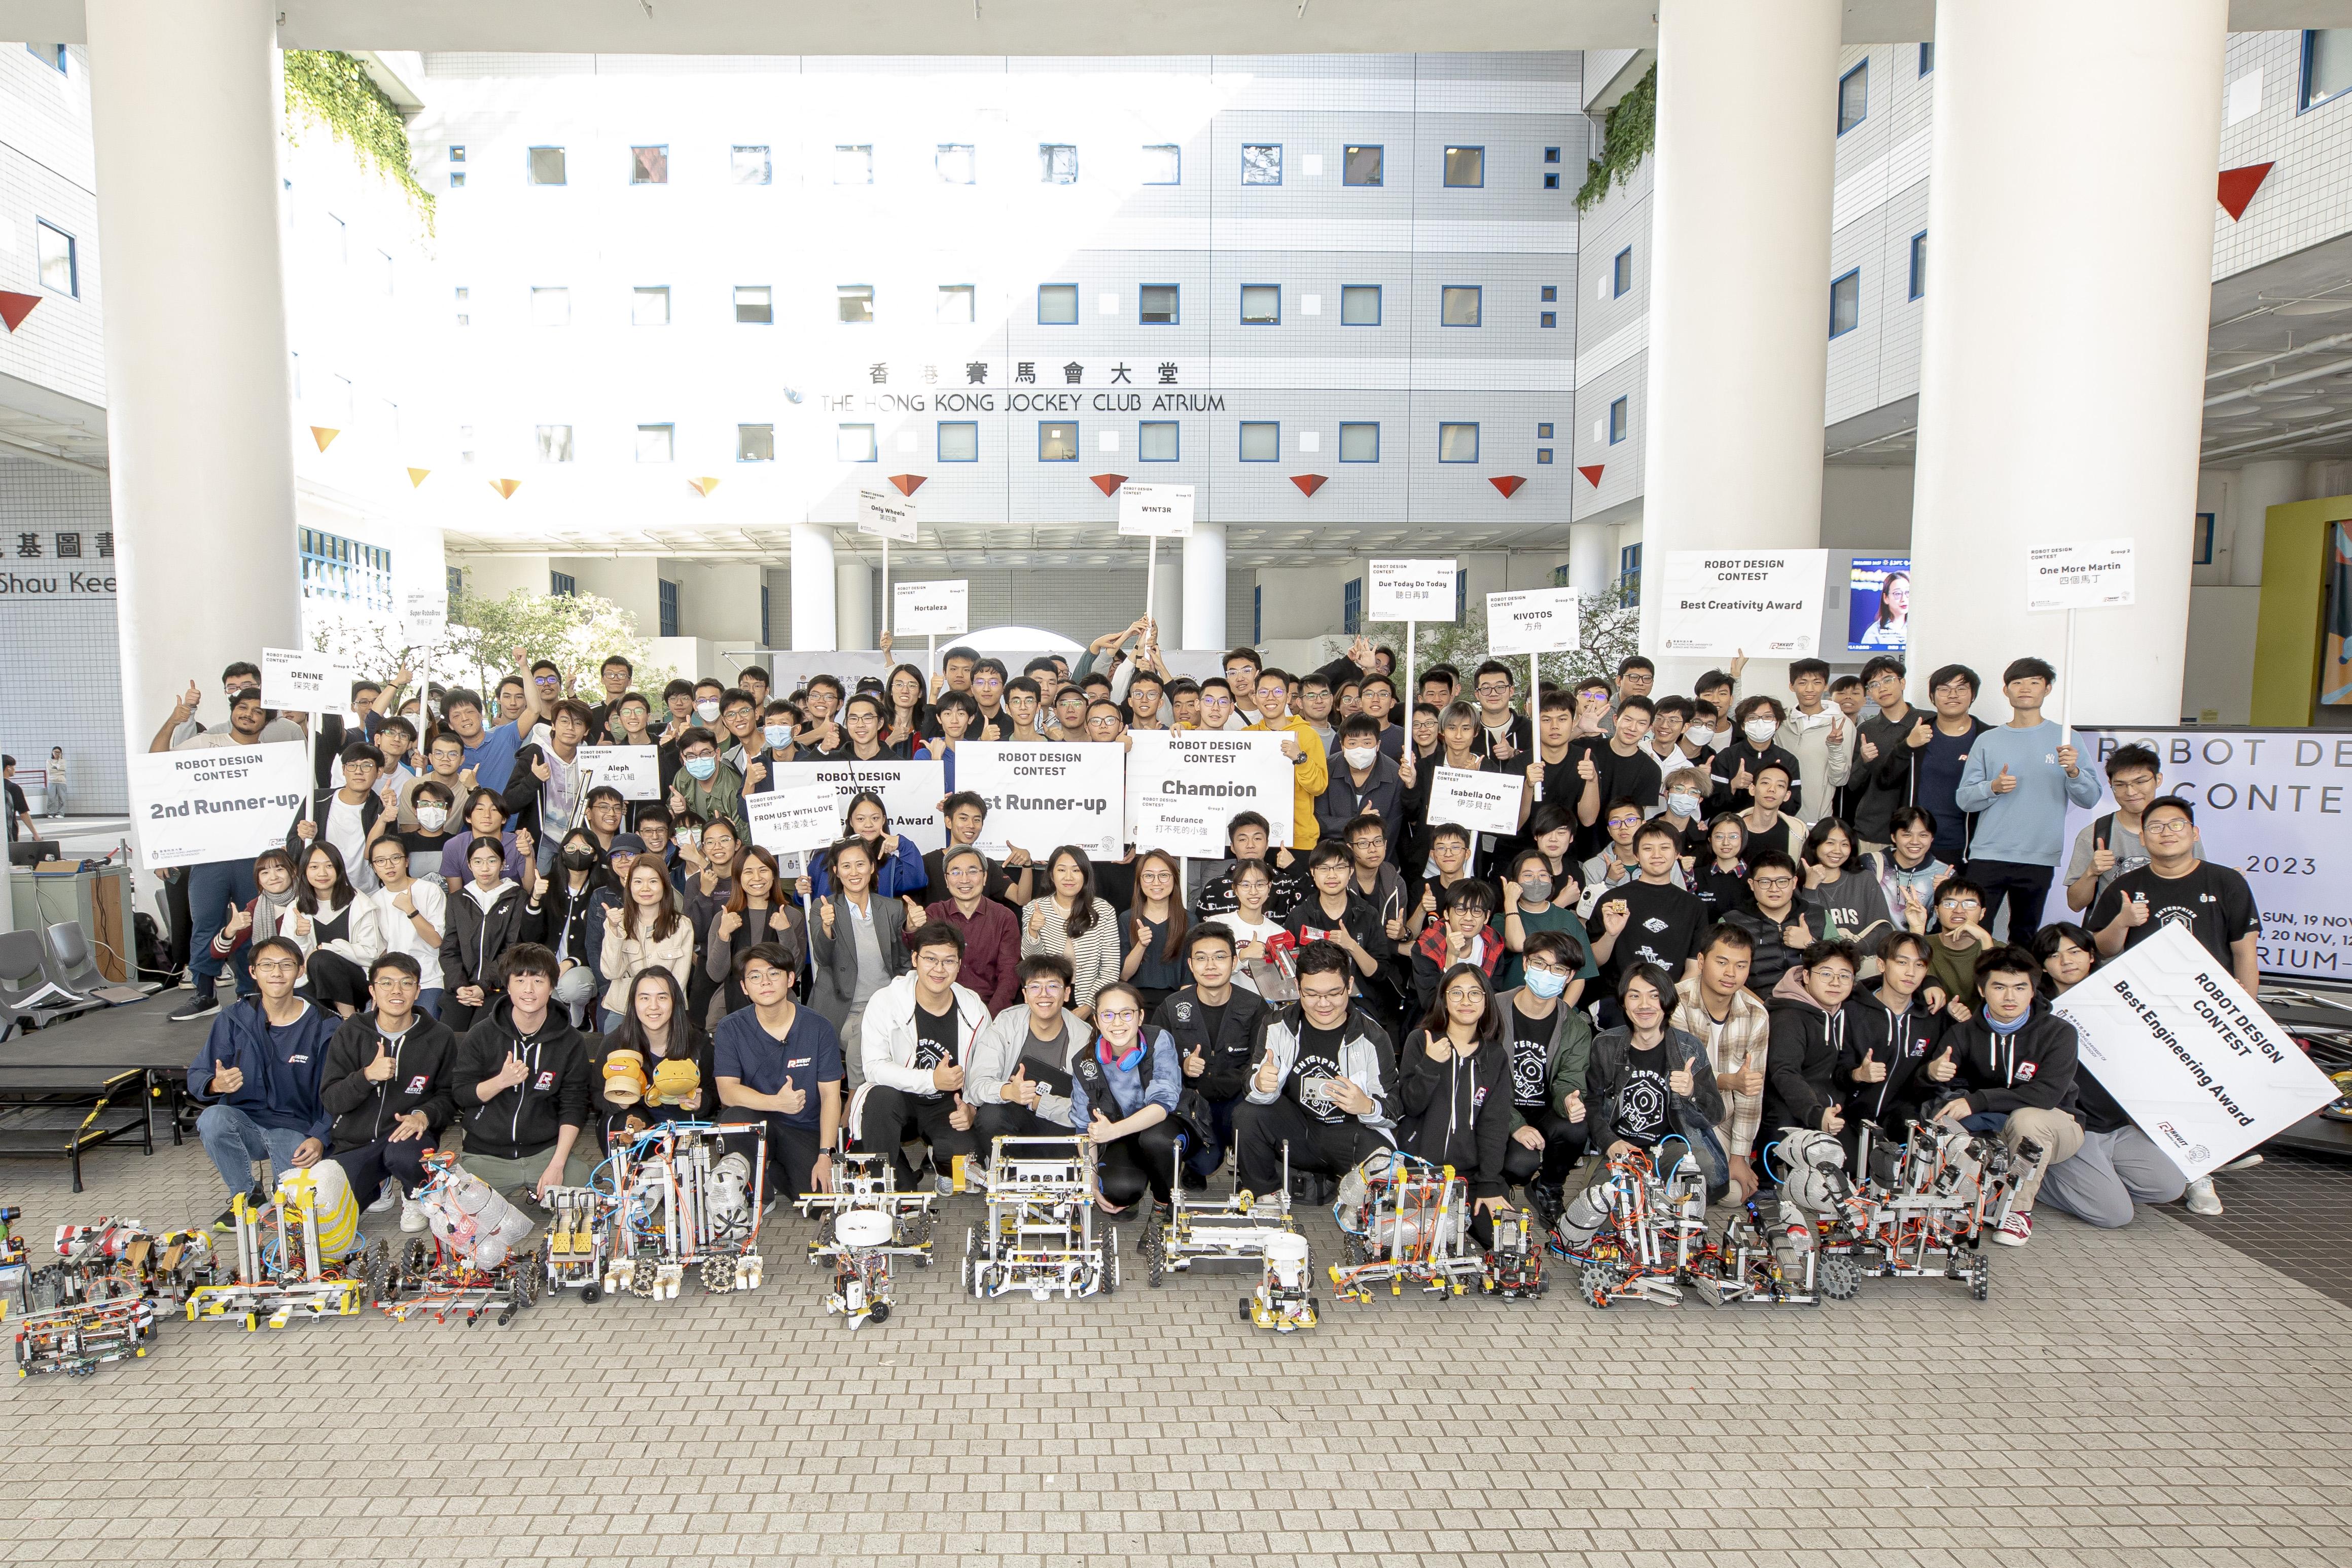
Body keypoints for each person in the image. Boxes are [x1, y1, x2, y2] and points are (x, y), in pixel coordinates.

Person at [1920, 944, 2087, 1247]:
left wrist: (1978, 1100)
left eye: (2020, 988)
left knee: (2028, 1120)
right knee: (1941, 1119)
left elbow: (2048, 1094)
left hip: (2057, 1125)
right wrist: (1932, 1072)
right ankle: (1951, 1203)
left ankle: (2017, 1210)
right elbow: (1938, 1084)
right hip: (1993, 1130)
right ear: (1983, 991)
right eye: (2000, 987)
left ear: (2033, 990)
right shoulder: (1964, 1032)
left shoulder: (2059, 1032)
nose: (2010, 997)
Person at [1234, 940, 1400, 1204]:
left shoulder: (1374, 1036)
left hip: (1350, 1134)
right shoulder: (1277, 1024)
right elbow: (1252, 1084)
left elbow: (1393, 1110)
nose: (1323, 1004)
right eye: (1311, 994)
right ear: (1297, 988)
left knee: (1388, 1165)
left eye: (1334, 993)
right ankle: (1266, 1195)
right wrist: (1259, 1082)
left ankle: (1366, 1210)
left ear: (1349, 986)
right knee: (1247, 1114)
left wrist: (1366, 1106)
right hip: (1299, 1131)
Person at [187, 935, 336, 1226]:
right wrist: (215, 1085)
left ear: (301, 970)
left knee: (291, 1218)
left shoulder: (325, 1025)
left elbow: (338, 1092)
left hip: (298, 1130)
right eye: (267, 965)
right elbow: (198, 1074)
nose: (277, 973)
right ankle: (245, 1197)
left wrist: (321, 1137)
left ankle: (286, 1200)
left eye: (286, 965)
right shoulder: (234, 1018)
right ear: (253, 972)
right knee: (213, 1118)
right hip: (248, 1125)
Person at [1952, 657, 2102, 938]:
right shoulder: (1988, 740)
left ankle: (2019, 984)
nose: (2025, 688)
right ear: (2006, 690)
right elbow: (1964, 799)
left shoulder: (2067, 738)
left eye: (2034, 682)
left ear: (2047, 689)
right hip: (1988, 853)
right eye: (2017, 682)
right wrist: (1993, 788)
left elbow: (2091, 798)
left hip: (2039, 855)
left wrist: (2073, 771)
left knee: (2025, 933)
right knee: (1972, 932)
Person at [449, 944, 596, 1198]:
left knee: (581, 1194)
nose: (529, 990)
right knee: (457, 1210)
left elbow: (574, 1104)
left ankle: (551, 1178)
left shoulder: (570, 1041)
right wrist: (501, 1082)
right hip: (487, 1154)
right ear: (508, 986)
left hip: (545, 1153)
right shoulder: (482, 1034)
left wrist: (557, 1166)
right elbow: (462, 1094)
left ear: (552, 987)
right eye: (520, 980)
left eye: (538, 980)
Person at [852, 920, 990, 1191]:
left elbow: (984, 1069)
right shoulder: (885, 1001)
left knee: (964, 1166)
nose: (939, 969)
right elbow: (874, 1069)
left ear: (959, 965)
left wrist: (972, 1108)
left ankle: (940, 1161)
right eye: (930, 959)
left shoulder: (974, 1008)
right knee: (879, 1097)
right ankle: (887, 1179)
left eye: (949, 961)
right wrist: (932, 1080)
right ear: (915, 959)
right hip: (899, 1099)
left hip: (947, 1105)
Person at [1581, 964, 1729, 1202]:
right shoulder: (1605, 1044)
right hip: (1622, 1152)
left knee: (1699, 1162)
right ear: (1624, 1002)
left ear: (1667, 1001)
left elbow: (1715, 1115)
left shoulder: (1688, 1048)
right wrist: (1609, 1142)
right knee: (1599, 1214)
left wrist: (1692, 1091)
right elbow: (1591, 1102)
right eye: (1634, 996)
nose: (1644, 1005)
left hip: (1670, 1150)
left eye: (1654, 996)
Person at [2088, 797, 2261, 992]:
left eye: (2177, 825)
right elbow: (2102, 950)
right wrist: (2122, 923)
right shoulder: (2124, 887)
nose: (2167, 832)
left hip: (2212, 999)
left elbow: (2245, 953)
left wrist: (2249, 1011)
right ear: (2143, 838)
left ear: (2195, 833)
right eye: (2155, 827)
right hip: (2144, 999)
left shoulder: (2227, 881)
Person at [714, 944, 845, 1201]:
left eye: (774, 973)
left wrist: (825, 1155)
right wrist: (776, 1103)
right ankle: (759, 1194)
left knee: (820, 1203)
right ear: (744, 987)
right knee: (734, 1118)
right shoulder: (731, 1028)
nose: (765, 982)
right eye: (755, 976)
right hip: (758, 1122)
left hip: (805, 1129)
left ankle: (775, 1171)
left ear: (791, 979)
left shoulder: (819, 1027)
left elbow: (831, 1097)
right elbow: (727, 1092)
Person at [1396, 965, 1516, 1241]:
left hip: (1469, 1178)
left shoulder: (1495, 1057)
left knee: (1502, 1243)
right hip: (1419, 1172)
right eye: (1457, 993)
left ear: (1487, 1001)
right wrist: (1430, 1065)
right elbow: (1410, 1106)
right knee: (1416, 1244)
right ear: (1444, 999)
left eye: (1475, 994)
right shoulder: (1421, 1041)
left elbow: (1495, 1126)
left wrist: (1489, 1184)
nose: (1466, 1002)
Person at [1150, 926, 1268, 1187]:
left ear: (1234, 961)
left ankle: (1248, 1168)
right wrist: (1182, 1066)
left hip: (1239, 1099)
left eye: (1220, 957)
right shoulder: (1172, 1006)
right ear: (1191, 965)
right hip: (1192, 1102)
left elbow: (1263, 1060)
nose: (1211, 966)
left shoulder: (1255, 1006)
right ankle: (1197, 1163)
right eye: (1201, 958)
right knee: (1204, 1163)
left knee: (1253, 1121)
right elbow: (1152, 1062)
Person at [1494, 931, 1593, 1222]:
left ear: (1569, 976)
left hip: (1545, 1112)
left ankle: (1549, 1187)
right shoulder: (1494, 1011)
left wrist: (1569, 1101)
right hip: (1499, 1110)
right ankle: (1499, 1182)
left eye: (1558, 969)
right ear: (1525, 964)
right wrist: (1514, 1125)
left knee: (1575, 1128)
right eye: (1539, 963)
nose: (1547, 974)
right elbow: (1482, 1079)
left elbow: (1569, 1080)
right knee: (1520, 1164)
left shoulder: (1575, 1027)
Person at [1067, 979, 1187, 1217]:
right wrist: (1090, 1182)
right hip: (1123, 1137)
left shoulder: (1158, 1041)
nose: (1118, 1022)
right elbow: (1084, 1129)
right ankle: (1137, 1179)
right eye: (1108, 1015)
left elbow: (1162, 1104)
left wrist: (1113, 1131)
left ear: (1141, 1017)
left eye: (1126, 1013)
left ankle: (1163, 1204)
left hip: (1166, 1127)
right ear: (1097, 1021)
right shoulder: (1084, 1062)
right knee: (1119, 1189)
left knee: (1156, 1140)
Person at [1674, 924, 1770, 1200]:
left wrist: (1739, 1156)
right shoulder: (1675, 1001)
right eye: (1722, 962)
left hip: (1722, 1118)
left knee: (1733, 1195)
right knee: (1692, 1188)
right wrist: (1731, 1081)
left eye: (1741, 965)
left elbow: (1752, 1092)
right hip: (1681, 1114)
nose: (1731, 974)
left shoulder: (1757, 1015)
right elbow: (1683, 1077)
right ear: (1702, 962)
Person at [804, 837, 908, 1079]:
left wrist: (911, 928)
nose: (854, 872)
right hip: (844, 1010)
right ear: (836, 872)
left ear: (872, 867)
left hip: (886, 1006)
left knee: (871, 1031)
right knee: (864, 1034)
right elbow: (822, 958)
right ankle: (855, 1097)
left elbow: (904, 963)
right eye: (846, 866)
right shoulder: (824, 908)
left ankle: (856, 1099)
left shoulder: (892, 909)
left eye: (860, 865)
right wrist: (827, 927)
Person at [968, 954, 1089, 1151]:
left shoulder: (1084, 1037)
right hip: (1016, 1117)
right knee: (991, 1116)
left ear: (1067, 993)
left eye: (1053, 986)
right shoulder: (1006, 1024)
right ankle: (1011, 1175)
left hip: (1061, 1123)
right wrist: (1009, 1092)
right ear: (1025, 995)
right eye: (1035, 987)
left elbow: (1088, 1107)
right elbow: (977, 1085)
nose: (1044, 994)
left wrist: (1038, 1103)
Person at [1841, 930, 1950, 1143]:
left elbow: (1934, 1086)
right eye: (1902, 962)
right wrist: (1858, 1075)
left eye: (1919, 965)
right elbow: (1834, 1072)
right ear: (1882, 965)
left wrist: (1930, 1073)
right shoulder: (1850, 1010)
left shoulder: (1933, 1017)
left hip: (1903, 1121)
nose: (1911, 972)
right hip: (1850, 1117)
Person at [593, 967, 719, 1151]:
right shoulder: (616, 1043)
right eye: (645, 998)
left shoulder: (698, 1042)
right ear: (634, 1003)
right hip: (637, 1125)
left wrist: (702, 1102)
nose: (653, 1006)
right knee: (625, 1121)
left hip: (683, 1128)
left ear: (675, 1001)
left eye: (662, 997)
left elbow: (715, 1094)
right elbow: (596, 1094)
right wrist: (618, 1101)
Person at [2063, 744, 2199, 912]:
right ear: (2110, 784)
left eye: (2140, 782)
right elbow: (2075, 904)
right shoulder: (2094, 834)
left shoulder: (2179, 831)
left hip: (2167, 930)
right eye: (2120, 785)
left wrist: (2226, 882)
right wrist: (2092, 872)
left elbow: (2201, 890)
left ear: (2158, 779)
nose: (2131, 792)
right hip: (2108, 935)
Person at [1587, 822, 1711, 996]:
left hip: (1670, 1002)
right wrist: (1611, 935)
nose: (1657, 855)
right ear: (1636, 855)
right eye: (1648, 849)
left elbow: (1694, 968)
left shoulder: (1693, 906)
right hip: (1617, 999)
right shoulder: (1615, 899)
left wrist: (1669, 1002)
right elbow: (1593, 962)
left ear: (1677, 853)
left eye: (1665, 848)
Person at [440, 835, 544, 1033]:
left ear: (503, 863)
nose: (485, 868)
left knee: (480, 1033)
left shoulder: (517, 896)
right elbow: (449, 949)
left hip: (499, 987)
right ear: (469, 866)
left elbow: (514, 948)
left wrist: (483, 985)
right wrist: (460, 986)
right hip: (462, 989)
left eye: (492, 861)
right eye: (477, 862)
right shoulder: (458, 900)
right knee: (448, 1034)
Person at [1761, 939, 1859, 1142]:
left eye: (1844, 976)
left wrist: (1857, 1074)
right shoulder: (1788, 1015)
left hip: (1832, 1110)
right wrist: (1816, 1114)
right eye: (1826, 974)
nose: (1835, 982)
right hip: (1793, 1117)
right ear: (1806, 975)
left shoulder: (1842, 1013)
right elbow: (1785, 1072)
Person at [1906, 664, 1993, 869]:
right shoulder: (1917, 734)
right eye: (1944, 689)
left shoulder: (1988, 738)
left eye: (1961, 689)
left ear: (1973, 696)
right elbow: (1887, 779)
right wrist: (1906, 746)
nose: (1953, 695)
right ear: (1932, 696)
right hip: (1918, 844)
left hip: (1968, 847)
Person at [707, 847, 807, 1019]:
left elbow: (795, 972)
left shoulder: (791, 916)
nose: (757, 878)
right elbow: (716, 974)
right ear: (738, 877)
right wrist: (723, 935)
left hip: (780, 1009)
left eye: (763, 870)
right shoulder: (724, 918)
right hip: (730, 1008)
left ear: (774, 875)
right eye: (748, 872)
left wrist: (785, 932)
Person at [1021, 847, 1120, 1019]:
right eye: (1061, 870)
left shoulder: (1103, 910)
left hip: (1093, 1001)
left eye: (1076, 870)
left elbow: (1110, 968)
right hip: (1049, 998)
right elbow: (1032, 963)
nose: (1069, 877)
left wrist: (1089, 1006)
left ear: (1085, 875)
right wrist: (1033, 931)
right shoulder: (1035, 908)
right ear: (1052, 875)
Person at [287, 842, 382, 1020]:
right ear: (305, 872)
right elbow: (291, 962)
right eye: (314, 867)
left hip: (357, 984)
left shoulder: (359, 903)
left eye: (329, 866)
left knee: (321, 958)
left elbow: (371, 954)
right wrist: (299, 937)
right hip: (313, 984)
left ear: (339, 869)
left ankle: (350, 1020)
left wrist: (329, 948)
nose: (322, 873)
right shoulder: (296, 908)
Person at [597, 858, 694, 1031]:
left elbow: (679, 981)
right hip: (623, 1011)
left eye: (653, 881)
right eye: (638, 882)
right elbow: (611, 972)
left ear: (665, 885)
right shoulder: (617, 921)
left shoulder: (682, 926)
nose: (645, 888)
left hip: (665, 1013)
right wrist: (614, 931)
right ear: (629, 886)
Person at [923, 845, 1021, 1013]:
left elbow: (1009, 975)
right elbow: (922, 961)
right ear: (947, 881)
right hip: (942, 1009)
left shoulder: (1004, 918)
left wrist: (990, 1018)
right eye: (956, 872)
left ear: (984, 878)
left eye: (973, 872)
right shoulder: (935, 913)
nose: (964, 880)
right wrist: (910, 927)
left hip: (989, 1009)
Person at [533, 827, 614, 1026]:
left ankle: (579, 1014)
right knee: (545, 992)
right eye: (571, 848)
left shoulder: (603, 890)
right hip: (548, 964)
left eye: (585, 849)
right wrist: (535, 899)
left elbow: (599, 941)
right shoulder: (547, 884)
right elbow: (530, 934)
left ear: (595, 856)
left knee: (571, 986)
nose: (577, 854)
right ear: (562, 853)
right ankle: (566, 1024)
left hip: (584, 968)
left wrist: (570, 962)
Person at [1720, 850, 1825, 998]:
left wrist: (1810, 943)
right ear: (1752, 884)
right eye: (1765, 882)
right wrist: (1760, 1008)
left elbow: (1842, 965)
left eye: (1782, 881)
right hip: (1755, 1006)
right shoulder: (1732, 922)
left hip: (1811, 1005)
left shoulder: (1818, 915)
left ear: (1794, 882)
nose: (1774, 889)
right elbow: (1721, 974)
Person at [364, 835, 448, 1020]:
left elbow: (436, 941)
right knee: (369, 1026)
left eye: (395, 858)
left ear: (407, 861)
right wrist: (379, 987)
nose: (389, 865)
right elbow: (380, 951)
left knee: (425, 1030)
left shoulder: (430, 890)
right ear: (374, 867)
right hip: (390, 982)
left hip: (427, 980)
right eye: (380, 861)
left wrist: (411, 910)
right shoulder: (374, 901)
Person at [1283, 843, 1384, 994]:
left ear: (1351, 871)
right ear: (1313, 872)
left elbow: (1379, 974)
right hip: (1312, 1001)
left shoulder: (1368, 914)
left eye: (1340, 868)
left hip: (1359, 1002)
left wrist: (1352, 946)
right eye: (1324, 868)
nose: (1332, 875)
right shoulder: (1299, 916)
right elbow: (1289, 972)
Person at [1246, 668, 1330, 849]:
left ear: (1287, 697)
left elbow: (1318, 787)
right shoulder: (1246, 736)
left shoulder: (1308, 735)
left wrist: (1301, 759)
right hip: (1254, 840)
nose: (1271, 698)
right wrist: (1184, 726)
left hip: (1298, 839)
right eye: (1263, 692)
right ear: (1255, 698)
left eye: (1277, 692)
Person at [1496, 847, 1597, 996]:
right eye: (1528, 875)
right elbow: (1518, 945)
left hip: (1557, 1007)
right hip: (1510, 1005)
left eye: (1543, 875)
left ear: (1551, 880)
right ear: (1515, 882)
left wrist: (1564, 1011)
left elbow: (1580, 975)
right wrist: (1510, 900)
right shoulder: (1501, 919)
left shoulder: (1568, 919)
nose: (1536, 881)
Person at [1571, 696, 1663, 858]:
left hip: (1613, 852)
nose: (1633, 728)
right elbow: (1550, 751)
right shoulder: (1587, 748)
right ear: (1616, 719)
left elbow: (1634, 819)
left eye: (1641, 723)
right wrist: (1579, 730)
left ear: (1649, 728)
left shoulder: (1651, 770)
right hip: (1572, 842)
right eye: (1628, 720)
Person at [1849, 657, 1920, 850]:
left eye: (1888, 680)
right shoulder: (1867, 729)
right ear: (1869, 692)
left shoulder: (1926, 722)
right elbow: (1853, 784)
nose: (1882, 688)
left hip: (1919, 830)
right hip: (1873, 829)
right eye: (1874, 684)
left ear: (1903, 682)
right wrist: (1864, 760)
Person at [1773, 660, 1854, 828]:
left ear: (1826, 686)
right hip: (1778, 816)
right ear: (1792, 686)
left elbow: (1840, 779)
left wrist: (1835, 747)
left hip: (1816, 822)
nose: (1810, 689)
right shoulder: (1781, 722)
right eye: (1803, 683)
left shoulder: (1842, 724)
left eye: (1817, 682)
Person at [1410, 877, 1501, 1019]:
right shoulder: (1427, 946)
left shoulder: (1494, 944)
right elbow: (1431, 1004)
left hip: (1478, 1020)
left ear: (1487, 917)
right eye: (1460, 909)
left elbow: (1494, 996)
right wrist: (1452, 957)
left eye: (1477, 911)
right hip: (1433, 1021)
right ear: (1446, 913)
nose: (1469, 918)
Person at [1800, 817, 1893, 954]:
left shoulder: (1865, 879)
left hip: (1860, 960)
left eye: (1845, 844)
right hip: (1818, 963)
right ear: (1814, 846)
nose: (1838, 851)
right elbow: (1809, 930)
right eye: (1830, 843)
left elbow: (1883, 929)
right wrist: (1810, 888)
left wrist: (1850, 952)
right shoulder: (1797, 883)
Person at [810, 791, 925, 899]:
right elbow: (806, 898)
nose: (869, 824)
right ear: (851, 822)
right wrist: (802, 892)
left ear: (884, 820)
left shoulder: (890, 864)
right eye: (861, 819)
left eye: (875, 818)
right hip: (830, 920)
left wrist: (903, 844)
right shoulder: (825, 856)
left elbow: (917, 882)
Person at [1316, 713, 1405, 849]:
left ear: (1378, 745)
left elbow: (1392, 830)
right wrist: (1357, 822)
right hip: (1335, 858)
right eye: (1352, 743)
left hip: (1378, 860)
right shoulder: (1327, 769)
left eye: (1367, 743)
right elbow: (1320, 822)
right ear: (1342, 745)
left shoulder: (1394, 774)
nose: (1360, 749)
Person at [1120, 849, 1190, 1019]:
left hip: (1176, 1003)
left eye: (1164, 875)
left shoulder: (1189, 920)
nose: (1156, 882)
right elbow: (1124, 975)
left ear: (1175, 879)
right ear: (1139, 881)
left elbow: (1189, 979)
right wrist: (1141, 945)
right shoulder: (1127, 918)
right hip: (1135, 1004)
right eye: (1149, 876)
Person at [1709, 695, 1804, 817]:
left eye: (1768, 717)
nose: (1760, 722)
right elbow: (1713, 805)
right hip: (1733, 828)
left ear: (1777, 723)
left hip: (1773, 828)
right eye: (1753, 718)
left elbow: (1793, 806)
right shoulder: (1726, 757)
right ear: (1743, 725)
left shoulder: (1789, 761)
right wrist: (1733, 786)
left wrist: (1778, 787)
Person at [1730, 761, 1806, 860]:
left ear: (1787, 796)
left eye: (1780, 785)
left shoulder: (1798, 832)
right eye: (1765, 783)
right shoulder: (1731, 827)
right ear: (1752, 789)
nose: (1772, 789)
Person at [1688, 814, 1752, 923]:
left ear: (1743, 838)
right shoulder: (1695, 876)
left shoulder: (1755, 878)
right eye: (1719, 837)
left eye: (1733, 837)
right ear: (1710, 840)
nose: (1726, 843)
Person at [41, 745, 66, 818]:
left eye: (59, 752)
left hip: (62, 781)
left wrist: (58, 763)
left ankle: (61, 813)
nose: (57, 754)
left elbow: (63, 769)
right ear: (52, 752)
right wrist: (58, 770)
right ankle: (50, 813)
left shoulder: (63, 761)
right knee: (51, 798)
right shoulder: (49, 761)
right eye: (55, 752)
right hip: (52, 781)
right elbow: (50, 771)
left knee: (62, 798)